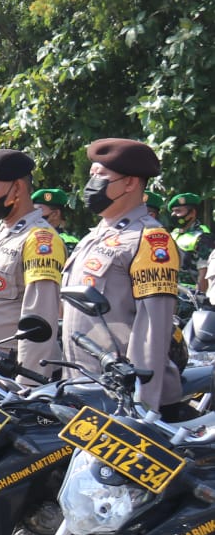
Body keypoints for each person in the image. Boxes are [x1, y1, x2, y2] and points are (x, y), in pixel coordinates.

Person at [62, 139, 179, 414]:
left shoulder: (149, 240)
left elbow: (152, 330)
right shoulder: (96, 235)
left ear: (130, 183)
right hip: (88, 387)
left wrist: (141, 406)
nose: (92, 184)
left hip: (124, 398)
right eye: (91, 176)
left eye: (101, 177)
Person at [0, 149, 63, 382]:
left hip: (14, 371)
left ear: (17, 188)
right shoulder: (0, 233)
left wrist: (28, 385)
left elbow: (40, 317)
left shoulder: (40, 239)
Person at [168, 193, 214, 294]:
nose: (173, 215)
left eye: (178, 211)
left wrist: (199, 299)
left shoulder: (203, 237)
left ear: (192, 213)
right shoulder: (172, 235)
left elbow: (204, 274)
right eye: (173, 211)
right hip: (169, 293)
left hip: (189, 297)